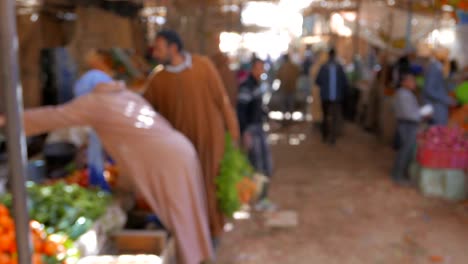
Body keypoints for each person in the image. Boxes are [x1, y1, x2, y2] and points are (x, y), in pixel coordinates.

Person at [0, 70, 214, 264]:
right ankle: (201, 256)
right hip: (181, 150)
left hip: (167, 161)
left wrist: (8, 121)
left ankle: (193, 259)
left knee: (180, 216)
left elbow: (55, 115)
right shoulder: (125, 96)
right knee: (190, 211)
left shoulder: (95, 102)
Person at [143, 30, 240, 242]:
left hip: (210, 141)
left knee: (211, 187)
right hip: (181, 148)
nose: (155, 53)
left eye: (159, 48)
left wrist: (233, 134)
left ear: (173, 48)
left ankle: (212, 236)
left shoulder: (203, 66)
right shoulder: (157, 79)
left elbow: (222, 101)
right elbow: (146, 112)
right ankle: (192, 239)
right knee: (186, 193)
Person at [237, 59, 274, 210]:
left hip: (259, 128)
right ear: (252, 69)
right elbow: (241, 111)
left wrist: (267, 116)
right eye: (258, 68)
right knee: (257, 166)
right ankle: (255, 199)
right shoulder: (246, 86)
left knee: (265, 166)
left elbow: (259, 106)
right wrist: (244, 132)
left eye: (262, 69)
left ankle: (262, 198)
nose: (261, 71)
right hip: (251, 130)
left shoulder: (257, 85)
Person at [392, 74, 425, 185]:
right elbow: (408, 113)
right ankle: (398, 176)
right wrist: (422, 115)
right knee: (405, 150)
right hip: (407, 125)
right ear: (404, 82)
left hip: (409, 124)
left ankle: (399, 174)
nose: (414, 84)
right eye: (412, 81)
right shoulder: (403, 94)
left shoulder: (406, 94)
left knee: (407, 150)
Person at [315, 48, 349, 145]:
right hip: (337, 97)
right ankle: (332, 137)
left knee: (325, 116)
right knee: (334, 117)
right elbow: (345, 83)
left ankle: (325, 135)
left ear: (329, 55)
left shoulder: (324, 67)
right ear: (335, 55)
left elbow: (317, 81)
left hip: (325, 97)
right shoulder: (339, 68)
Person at [422, 53, 455, 125]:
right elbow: (429, 90)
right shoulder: (434, 68)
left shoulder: (438, 68)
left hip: (439, 105)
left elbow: (442, 84)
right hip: (436, 106)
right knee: (438, 129)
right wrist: (445, 99)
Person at [276, 53, 301, 120]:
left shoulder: (282, 67)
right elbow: (298, 74)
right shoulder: (294, 66)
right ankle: (290, 117)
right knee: (290, 103)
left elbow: (278, 76)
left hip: (284, 88)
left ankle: (285, 118)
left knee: (284, 103)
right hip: (292, 87)